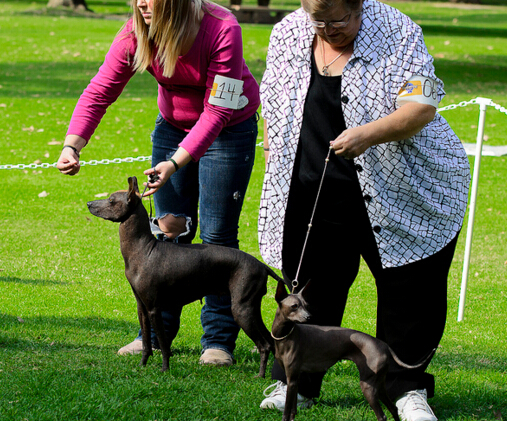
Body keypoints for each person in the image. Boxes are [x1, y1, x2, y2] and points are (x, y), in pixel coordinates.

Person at [258, 0, 470, 419]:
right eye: (318, 21)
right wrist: (273, 156)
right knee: (310, 289)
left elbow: (423, 106)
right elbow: (274, 103)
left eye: (338, 19)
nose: (327, 29)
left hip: (399, 189)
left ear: (359, 5)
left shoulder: (399, 31)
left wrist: (369, 134)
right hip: (313, 189)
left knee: (410, 291)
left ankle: (407, 390)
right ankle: (297, 384)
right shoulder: (287, 33)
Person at [56, 0, 260, 367]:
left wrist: (176, 162)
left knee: (217, 236)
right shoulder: (136, 32)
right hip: (172, 126)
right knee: (168, 229)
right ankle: (155, 332)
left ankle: (217, 340)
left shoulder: (222, 27)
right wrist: (72, 145)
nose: (140, 3)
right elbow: (101, 89)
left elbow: (219, 109)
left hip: (228, 130)